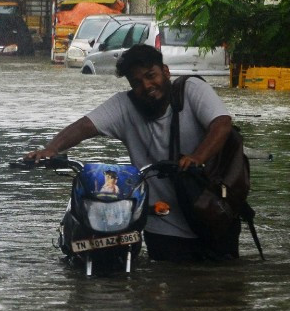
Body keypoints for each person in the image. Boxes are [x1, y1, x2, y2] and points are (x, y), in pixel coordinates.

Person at [25, 44, 235, 262]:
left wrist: (197, 158)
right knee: (164, 286)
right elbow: (84, 126)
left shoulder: (192, 90)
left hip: (213, 215)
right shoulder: (124, 105)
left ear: (165, 71)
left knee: (220, 286)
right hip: (163, 225)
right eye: (136, 82)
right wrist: (52, 149)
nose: (146, 85)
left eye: (150, 76)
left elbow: (222, 124)